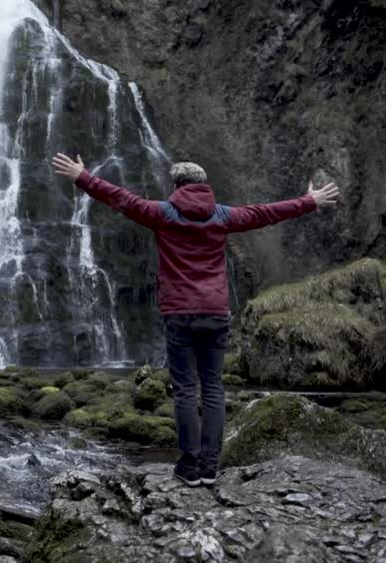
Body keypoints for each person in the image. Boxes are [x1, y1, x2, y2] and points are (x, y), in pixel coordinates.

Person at [51, 153, 340, 487]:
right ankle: (210, 468)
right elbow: (265, 213)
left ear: (177, 186)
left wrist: (83, 177)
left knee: (186, 389)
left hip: (179, 313)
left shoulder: (162, 213)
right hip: (215, 312)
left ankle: (189, 467)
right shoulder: (223, 215)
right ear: (204, 185)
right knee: (213, 388)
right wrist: (308, 201)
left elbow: (122, 198)